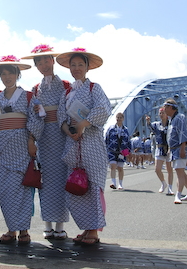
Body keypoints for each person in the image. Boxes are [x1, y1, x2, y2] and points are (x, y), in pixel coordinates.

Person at [0, 55, 44, 246]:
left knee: (24, 189)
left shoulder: (28, 96)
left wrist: (31, 140)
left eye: (10, 73)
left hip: (22, 147)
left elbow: (36, 119)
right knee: (5, 190)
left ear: (17, 74)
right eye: (3, 73)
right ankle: (11, 228)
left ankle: (24, 230)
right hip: (3, 148)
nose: (7, 76)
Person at [56, 48, 110, 245]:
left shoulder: (94, 88)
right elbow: (61, 118)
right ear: (69, 68)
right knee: (77, 186)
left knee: (93, 185)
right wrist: (68, 129)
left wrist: (82, 124)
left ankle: (94, 231)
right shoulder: (67, 93)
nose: (76, 68)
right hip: (73, 144)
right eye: (73, 65)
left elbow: (103, 109)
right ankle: (87, 228)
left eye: (80, 64)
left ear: (87, 67)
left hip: (92, 144)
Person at [22, 44, 71, 240]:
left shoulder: (66, 85)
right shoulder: (35, 89)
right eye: (39, 61)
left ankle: (60, 226)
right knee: (45, 182)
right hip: (44, 139)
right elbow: (33, 117)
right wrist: (32, 138)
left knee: (62, 181)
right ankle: (48, 225)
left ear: (53, 60)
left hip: (63, 136)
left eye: (46, 59)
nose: (43, 64)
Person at [163, 98, 187, 204]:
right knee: (180, 171)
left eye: (166, 107)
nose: (164, 109)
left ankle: (178, 194)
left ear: (172, 107)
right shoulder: (172, 119)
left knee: (179, 172)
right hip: (173, 150)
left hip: (180, 148)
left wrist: (183, 148)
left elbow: (183, 133)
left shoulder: (180, 117)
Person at [146, 108, 174, 194]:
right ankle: (163, 183)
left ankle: (170, 188)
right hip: (160, 148)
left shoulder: (171, 124)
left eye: (163, 113)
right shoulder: (156, 124)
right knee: (157, 169)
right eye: (160, 113)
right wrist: (148, 122)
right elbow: (150, 127)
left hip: (169, 148)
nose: (161, 115)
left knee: (169, 169)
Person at [105, 112, 131, 191]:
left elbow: (128, 141)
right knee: (113, 166)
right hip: (112, 150)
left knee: (120, 168)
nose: (119, 119)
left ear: (123, 119)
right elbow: (106, 139)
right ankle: (113, 182)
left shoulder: (125, 130)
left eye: (120, 117)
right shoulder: (111, 128)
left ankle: (120, 183)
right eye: (117, 117)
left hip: (122, 152)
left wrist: (129, 151)